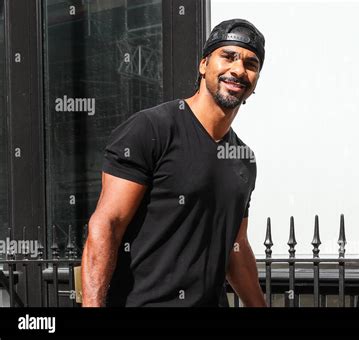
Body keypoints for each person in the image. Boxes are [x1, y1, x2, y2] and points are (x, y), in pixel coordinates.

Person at [81, 18, 267, 307]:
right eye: (228, 56)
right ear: (204, 64)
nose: (238, 70)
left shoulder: (243, 159)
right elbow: (107, 224)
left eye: (251, 64)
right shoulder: (153, 129)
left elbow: (236, 247)